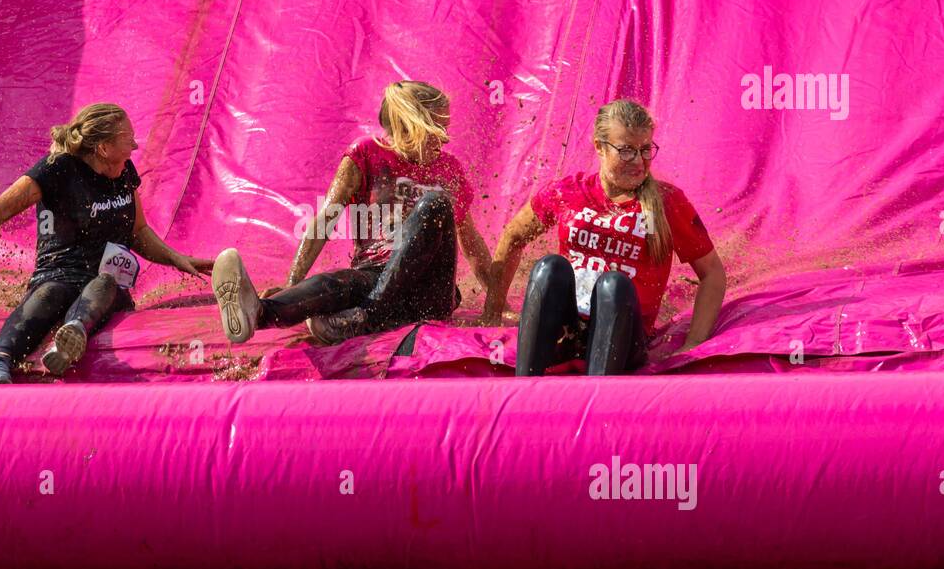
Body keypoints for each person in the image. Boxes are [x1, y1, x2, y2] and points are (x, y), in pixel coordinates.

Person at [0, 102, 214, 384]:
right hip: (58, 274)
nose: (135, 145)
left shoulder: (125, 172)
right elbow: (0, 208)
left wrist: (177, 258)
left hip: (108, 283)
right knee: (50, 294)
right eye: (128, 137)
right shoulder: (57, 170)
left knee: (105, 282)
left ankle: (72, 334)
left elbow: (138, 231)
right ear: (104, 148)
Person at [210, 81, 494, 346]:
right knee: (331, 284)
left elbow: (472, 246)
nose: (443, 141)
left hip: (430, 291)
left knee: (435, 204)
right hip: (376, 277)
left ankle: (367, 317)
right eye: (437, 131)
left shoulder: (448, 169)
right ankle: (257, 313)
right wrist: (291, 284)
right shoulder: (367, 153)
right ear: (411, 126)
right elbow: (325, 221)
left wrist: (496, 301)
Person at [480, 98, 726, 375]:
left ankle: (597, 396)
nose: (638, 161)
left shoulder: (669, 202)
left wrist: (694, 342)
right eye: (626, 151)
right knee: (549, 268)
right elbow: (513, 236)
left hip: (622, 335)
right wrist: (492, 313)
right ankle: (523, 388)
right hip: (566, 331)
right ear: (599, 146)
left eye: (645, 150)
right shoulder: (568, 191)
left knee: (612, 285)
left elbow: (712, 273)